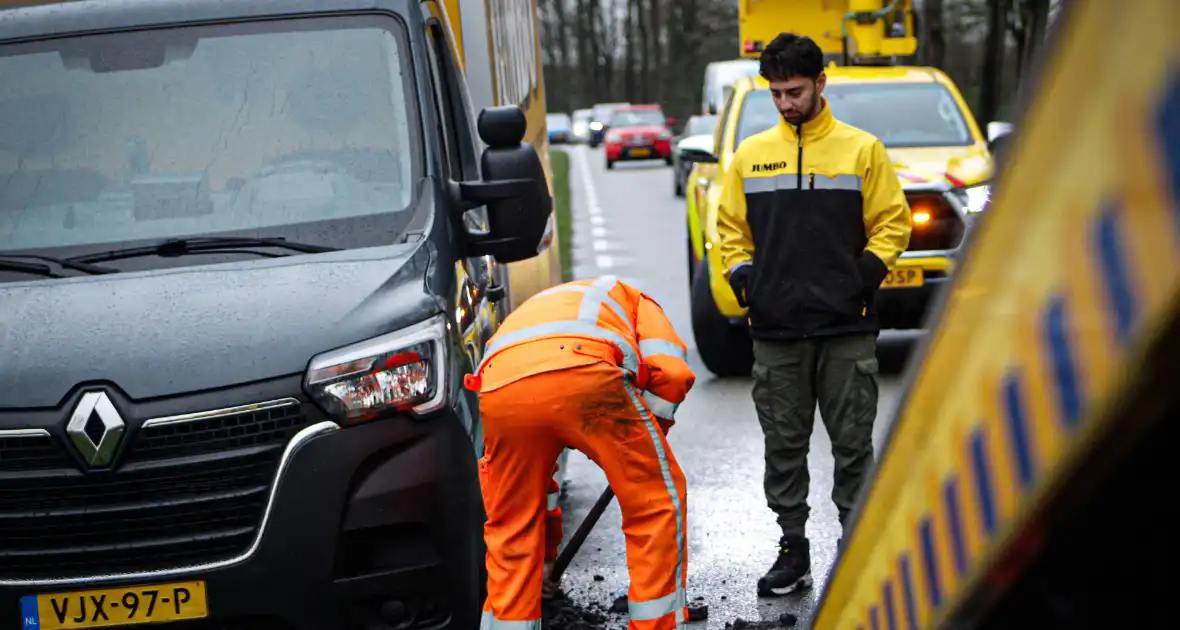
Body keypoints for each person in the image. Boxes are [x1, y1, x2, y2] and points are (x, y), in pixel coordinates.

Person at [715, 32, 912, 597]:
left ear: (821, 83)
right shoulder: (751, 155)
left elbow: (893, 223)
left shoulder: (861, 150)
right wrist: (744, 277)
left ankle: (858, 547)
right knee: (784, 445)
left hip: (846, 327)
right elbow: (729, 230)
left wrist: (861, 279)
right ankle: (793, 549)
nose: (785, 103)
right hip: (776, 330)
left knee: (853, 444)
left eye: (795, 91)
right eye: (775, 93)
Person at [465, 275, 695, 629]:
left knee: (513, 519)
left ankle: (519, 611)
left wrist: (545, 564)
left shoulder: (547, 308)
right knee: (654, 500)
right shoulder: (635, 301)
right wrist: (650, 438)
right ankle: (656, 623)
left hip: (500, 388)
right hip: (584, 368)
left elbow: (543, 487)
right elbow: (672, 374)